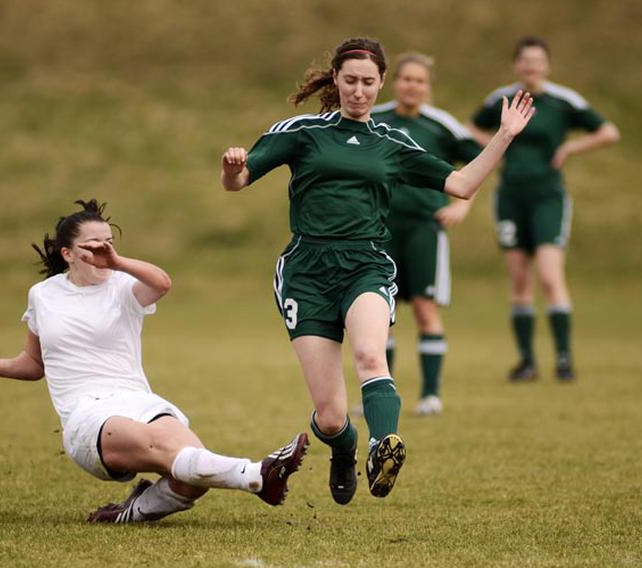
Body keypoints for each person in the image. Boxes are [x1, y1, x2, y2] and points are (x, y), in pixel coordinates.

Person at [220, 37, 535, 504]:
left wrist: (504, 135)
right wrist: (232, 166)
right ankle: (345, 447)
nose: (360, 91)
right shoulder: (302, 131)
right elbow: (239, 182)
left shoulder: (392, 143)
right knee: (329, 416)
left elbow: (463, 185)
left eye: (369, 82)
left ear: (380, 82)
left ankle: (381, 445)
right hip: (306, 271)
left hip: (366, 263)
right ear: (336, 79)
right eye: (351, 81)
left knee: (370, 356)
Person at [0, 199, 308, 523]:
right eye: (92, 244)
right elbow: (36, 363)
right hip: (87, 414)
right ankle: (258, 474)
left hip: (139, 400)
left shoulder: (123, 285)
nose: (103, 250)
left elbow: (162, 283)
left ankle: (131, 511)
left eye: (108, 242)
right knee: (170, 452)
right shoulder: (43, 295)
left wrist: (118, 263)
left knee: (191, 478)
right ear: (67, 253)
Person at [468, 36, 620, 382]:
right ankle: (526, 362)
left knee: (550, 277)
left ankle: (564, 359)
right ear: (516, 65)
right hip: (510, 196)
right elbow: (470, 127)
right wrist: (496, 145)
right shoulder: (501, 99)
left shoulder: (563, 101)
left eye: (537, 61)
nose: (531, 67)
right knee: (519, 279)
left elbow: (609, 131)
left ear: (547, 65)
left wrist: (570, 148)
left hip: (548, 197)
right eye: (525, 61)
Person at [370, 53, 482, 416]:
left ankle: (431, 396)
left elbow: (478, 163)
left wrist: (462, 206)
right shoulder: (375, 119)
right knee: (377, 312)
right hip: (378, 229)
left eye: (419, 81)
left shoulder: (440, 126)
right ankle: (381, 395)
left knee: (424, 308)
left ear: (428, 87)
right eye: (406, 79)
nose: (412, 86)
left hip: (424, 228)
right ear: (394, 82)